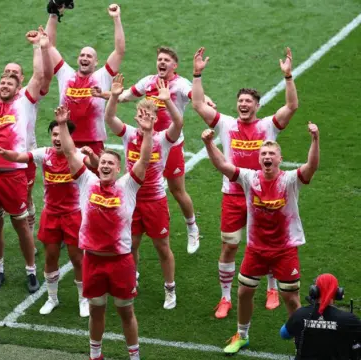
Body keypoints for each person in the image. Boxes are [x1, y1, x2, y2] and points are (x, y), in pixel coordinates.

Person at [191, 46, 299, 318]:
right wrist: (197, 74)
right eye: (240, 100)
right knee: (229, 245)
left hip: (265, 195)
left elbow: (292, 106)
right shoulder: (226, 124)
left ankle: (272, 288)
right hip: (233, 194)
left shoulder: (267, 126)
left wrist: (288, 77)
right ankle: (226, 298)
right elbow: (198, 104)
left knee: (270, 243)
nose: (243, 104)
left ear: (257, 106)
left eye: (248, 101)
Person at [202, 122, 319, 355]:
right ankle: (242, 335)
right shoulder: (249, 178)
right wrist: (208, 143)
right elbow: (223, 165)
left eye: (271, 154)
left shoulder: (289, 180)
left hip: (285, 249)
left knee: (291, 299)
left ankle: (302, 343)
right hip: (256, 249)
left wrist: (315, 139)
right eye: (263, 154)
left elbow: (311, 166)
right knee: (244, 291)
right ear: (259, 159)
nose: (267, 156)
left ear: (279, 159)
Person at [57, 103, 151, 360]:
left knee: (125, 312)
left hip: (120, 262)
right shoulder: (87, 182)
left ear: (119, 169)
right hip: (93, 261)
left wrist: (148, 132)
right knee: (97, 311)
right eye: (104, 162)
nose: (106, 165)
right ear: (98, 167)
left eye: (111, 162)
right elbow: (68, 151)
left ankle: (134, 356)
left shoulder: (128, 186)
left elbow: (144, 159)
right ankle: (94, 355)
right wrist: (64, 125)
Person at [104, 46, 215, 255]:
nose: (162, 63)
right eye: (159, 59)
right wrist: (105, 94)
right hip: (147, 141)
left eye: (166, 60)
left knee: (176, 190)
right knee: (139, 186)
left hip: (169, 143)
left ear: (175, 65)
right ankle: (133, 227)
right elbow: (125, 97)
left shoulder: (180, 84)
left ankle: (192, 227)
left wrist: (205, 98)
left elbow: (195, 95)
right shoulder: (148, 81)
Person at [0, 120, 99, 317]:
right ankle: (52, 298)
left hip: (73, 214)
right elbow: (21, 156)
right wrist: (4, 153)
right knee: (50, 256)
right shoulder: (44, 154)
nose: (57, 138)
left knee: (77, 258)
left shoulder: (76, 156)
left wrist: (92, 155)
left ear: (69, 137)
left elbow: (96, 166)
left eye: (61, 134)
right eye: (54, 134)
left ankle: (83, 299)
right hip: (51, 214)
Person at [0, 26, 51, 292]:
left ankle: (30, 271)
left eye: (10, 82)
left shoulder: (25, 102)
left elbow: (40, 75)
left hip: (14, 173)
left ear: (19, 88)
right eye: (2, 81)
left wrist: (38, 45)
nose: (5, 84)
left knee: (20, 225)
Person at [103, 74, 182, 310]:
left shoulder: (162, 139)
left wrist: (167, 101)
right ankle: (131, 278)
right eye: (140, 115)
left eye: (148, 115)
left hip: (155, 201)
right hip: (132, 200)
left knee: (162, 247)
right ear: (136, 116)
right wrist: (114, 97)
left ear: (156, 118)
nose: (143, 119)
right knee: (132, 244)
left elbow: (178, 124)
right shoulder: (128, 134)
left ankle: (170, 289)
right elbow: (109, 118)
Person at [44, 3, 125, 162]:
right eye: (82, 55)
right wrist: (54, 14)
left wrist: (116, 19)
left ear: (96, 62)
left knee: (94, 185)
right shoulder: (65, 74)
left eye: (89, 56)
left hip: (93, 142)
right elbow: (48, 46)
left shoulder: (102, 76)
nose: (84, 58)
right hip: (67, 139)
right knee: (66, 184)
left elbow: (119, 51)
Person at [281, 274, 361, 359]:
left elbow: (284, 334)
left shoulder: (300, 314)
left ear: (314, 291)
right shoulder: (348, 319)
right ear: (338, 293)